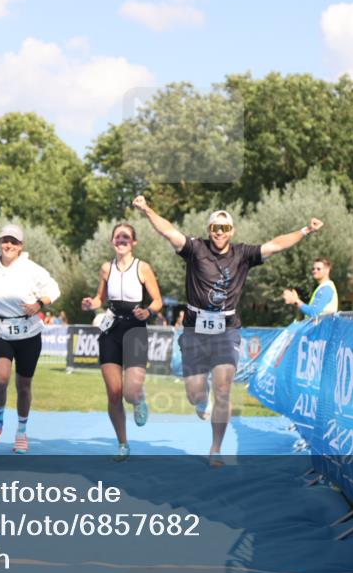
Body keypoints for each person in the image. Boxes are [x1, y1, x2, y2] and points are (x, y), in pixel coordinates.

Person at [133, 195, 323, 463]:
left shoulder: (243, 254)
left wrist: (306, 230)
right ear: (209, 230)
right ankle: (201, 401)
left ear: (231, 231)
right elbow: (168, 231)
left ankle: (215, 449)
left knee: (224, 388)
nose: (220, 232)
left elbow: (276, 244)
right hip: (195, 329)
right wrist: (146, 210)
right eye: (215, 228)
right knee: (195, 392)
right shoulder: (195, 248)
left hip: (227, 329)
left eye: (225, 228)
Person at [81, 223, 163, 461]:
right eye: (118, 236)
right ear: (112, 241)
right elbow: (100, 298)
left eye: (126, 237)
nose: (122, 240)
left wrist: (147, 312)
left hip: (135, 328)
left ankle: (139, 399)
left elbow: (157, 300)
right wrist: (91, 303)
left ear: (134, 242)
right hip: (111, 329)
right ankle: (123, 443)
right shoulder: (107, 268)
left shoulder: (143, 268)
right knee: (114, 393)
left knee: (129, 392)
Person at [0, 224, 60, 455]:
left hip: (28, 332)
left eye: (14, 241)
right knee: (1, 379)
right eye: (5, 240)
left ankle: (21, 432)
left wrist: (39, 304)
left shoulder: (32, 269)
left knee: (23, 385)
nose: (9, 245)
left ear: (21, 246)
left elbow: (54, 289)